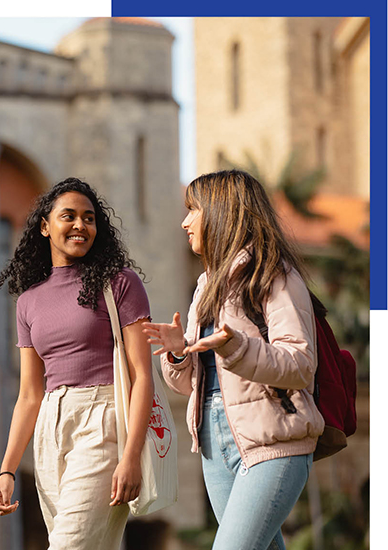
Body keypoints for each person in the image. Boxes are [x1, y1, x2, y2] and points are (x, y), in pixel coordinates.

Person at [143, 169, 324, 550]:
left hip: (273, 439)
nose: (184, 221)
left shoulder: (272, 274)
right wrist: (178, 353)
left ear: (222, 212)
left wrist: (236, 348)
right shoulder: (206, 283)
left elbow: (300, 363)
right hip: (213, 442)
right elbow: (187, 384)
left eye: (194, 210)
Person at [0, 177, 154, 549]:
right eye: (69, 216)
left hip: (105, 421)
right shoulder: (28, 302)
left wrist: (130, 456)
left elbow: (142, 376)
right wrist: (7, 469)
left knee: (68, 545)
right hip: (51, 427)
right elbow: (30, 395)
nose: (81, 225)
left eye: (89, 218)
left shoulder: (119, 283)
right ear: (45, 227)